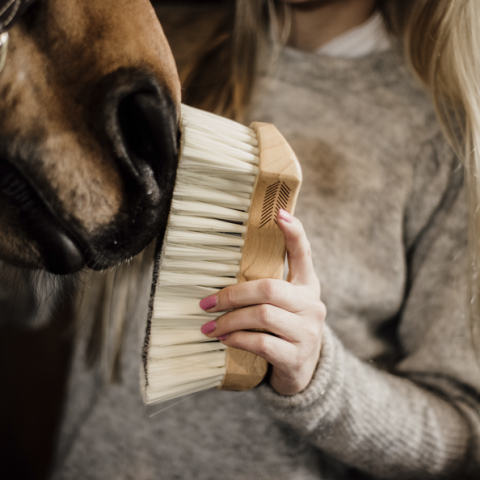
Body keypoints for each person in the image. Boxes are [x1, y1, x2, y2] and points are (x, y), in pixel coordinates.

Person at [51, 0, 480, 478]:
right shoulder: (153, 46)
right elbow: (33, 299)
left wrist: (316, 372)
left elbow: (463, 437)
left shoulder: (445, 138)